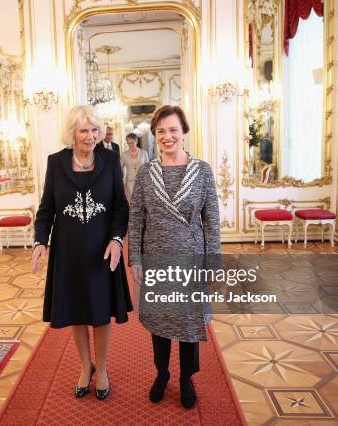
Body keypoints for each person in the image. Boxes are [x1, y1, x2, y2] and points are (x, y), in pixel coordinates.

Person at [31, 105, 132, 401]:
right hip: (69, 252)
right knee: (77, 311)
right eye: (84, 130)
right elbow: (47, 208)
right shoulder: (56, 162)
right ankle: (84, 367)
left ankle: (101, 368)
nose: (90, 136)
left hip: (103, 252)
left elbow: (120, 206)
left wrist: (116, 240)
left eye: (95, 130)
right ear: (72, 133)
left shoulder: (110, 160)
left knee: (101, 313)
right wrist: (40, 241)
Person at [128, 105, 220, 409]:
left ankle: (186, 377)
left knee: (189, 323)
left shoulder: (202, 170)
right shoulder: (145, 172)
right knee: (160, 323)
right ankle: (163, 373)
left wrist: (213, 261)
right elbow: (136, 218)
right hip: (156, 258)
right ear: (155, 135)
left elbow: (212, 220)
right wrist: (136, 259)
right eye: (161, 131)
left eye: (173, 130)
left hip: (191, 258)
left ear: (184, 132)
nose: (167, 136)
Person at [120, 133, 148, 202]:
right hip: (129, 183)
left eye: (132, 142)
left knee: (142, 202)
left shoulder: (144, 153)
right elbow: (119, 169)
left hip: (142, 182)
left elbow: (148, 168)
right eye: (128, 143)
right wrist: (121, 182)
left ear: (136, 142)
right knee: (132, 203)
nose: (130, 145)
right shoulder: (124, 154)